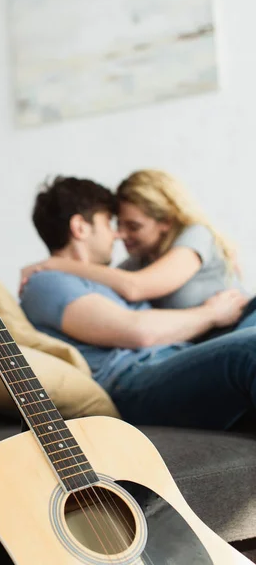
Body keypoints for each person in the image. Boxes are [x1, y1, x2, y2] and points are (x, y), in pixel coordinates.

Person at [20, 176, 256, 430]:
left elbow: (135, 285)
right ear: (80, 227)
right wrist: (212, 313)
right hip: (134, 381)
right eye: (109, 223)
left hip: (171, 363)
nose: (117, 234)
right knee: (249, 349)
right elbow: (138, 331)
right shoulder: (45, 283)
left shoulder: (103, 278)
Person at [20, 169, 245, 309]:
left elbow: (135, 288)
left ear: (166, 221)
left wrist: (54, 264)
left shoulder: (195, 236)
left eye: (134, 226)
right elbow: (107, 284)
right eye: (118, 224)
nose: (121, 235)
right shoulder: (138, 263)